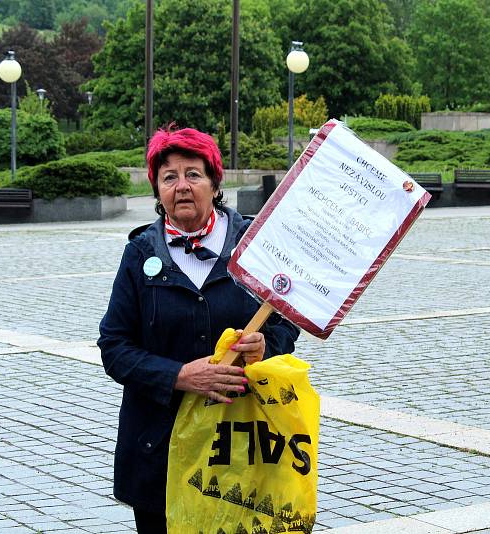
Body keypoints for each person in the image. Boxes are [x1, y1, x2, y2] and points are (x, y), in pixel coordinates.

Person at [98, 125, 300, 533]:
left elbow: (286, 321)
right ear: (157, 190)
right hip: (160, 448)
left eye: (193, 173)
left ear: (214, 182)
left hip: (241, 445)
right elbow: (114, 346)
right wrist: (178, 376)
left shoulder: (255, 244)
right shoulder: (140, 253)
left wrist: (268, 346)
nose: (182, 186)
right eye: (168, 177)